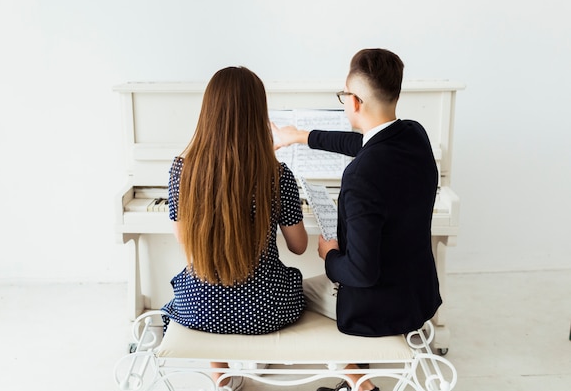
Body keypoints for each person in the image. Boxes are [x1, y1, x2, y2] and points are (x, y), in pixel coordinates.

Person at [272, 49, 442, 391]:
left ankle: (359, 382)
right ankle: (356, 377)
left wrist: (330, 255)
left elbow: (361, 273)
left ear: (356, 102)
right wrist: (299, 136)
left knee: (293, 293)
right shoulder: (414, 135)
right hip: (417, 294)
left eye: (344, 95)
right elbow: (362, 143)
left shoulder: (361, 175)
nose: (343, 101)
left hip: (377, 305)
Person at [162, 66, 308, 391]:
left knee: (199, 279)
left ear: (208, 111)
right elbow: (299, 246)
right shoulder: (277, 174)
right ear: (258, 114)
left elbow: (186, 244)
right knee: (290, 282)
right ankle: (254, 349)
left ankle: (221, 376)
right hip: (266, 309)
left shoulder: (180, 171)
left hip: (199, 309)